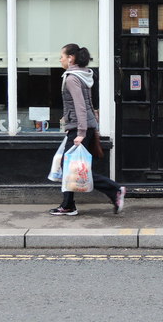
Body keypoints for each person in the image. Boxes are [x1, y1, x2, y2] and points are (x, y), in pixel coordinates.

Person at [50, 43, 126, 216]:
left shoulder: (71, 78)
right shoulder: (84, 75)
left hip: (80, 128)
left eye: (62, 56)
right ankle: (68, 205)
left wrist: (81, 133)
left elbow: (80, 107)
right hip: (85, 126)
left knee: (71, 166)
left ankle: (114, 190)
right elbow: (89, 103)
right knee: (71, 166)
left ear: (70, 58)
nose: (60, 59)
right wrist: (93, 127)